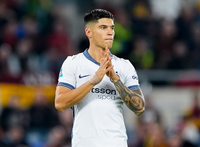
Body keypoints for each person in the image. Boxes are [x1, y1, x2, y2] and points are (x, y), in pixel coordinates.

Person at [55, 9, 145, 147]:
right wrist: (93, 81)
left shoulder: (124, 66)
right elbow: (60, 103)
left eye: (112, 28)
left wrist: (115, 79)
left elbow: (139, 107)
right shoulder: (73, 63)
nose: (110, 32)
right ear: (89, 32)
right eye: (103, 27)